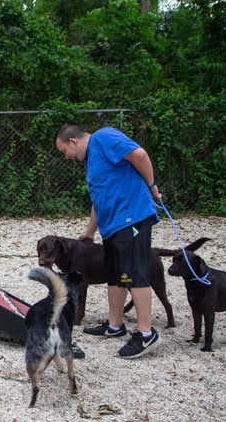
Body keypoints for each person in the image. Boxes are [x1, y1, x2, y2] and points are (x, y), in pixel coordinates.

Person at [55, 124, 163, 359]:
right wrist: (90, 231)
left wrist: (152, 187)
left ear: (73, 141)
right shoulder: (91, 161)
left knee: (135, 273)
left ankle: (146, 333)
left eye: (65, 151)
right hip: (112, 225)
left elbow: (139, 155)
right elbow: (100, 197)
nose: (67, 157)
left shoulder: (104, 138)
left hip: (132, 217)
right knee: (116, 274)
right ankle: (115, 325)